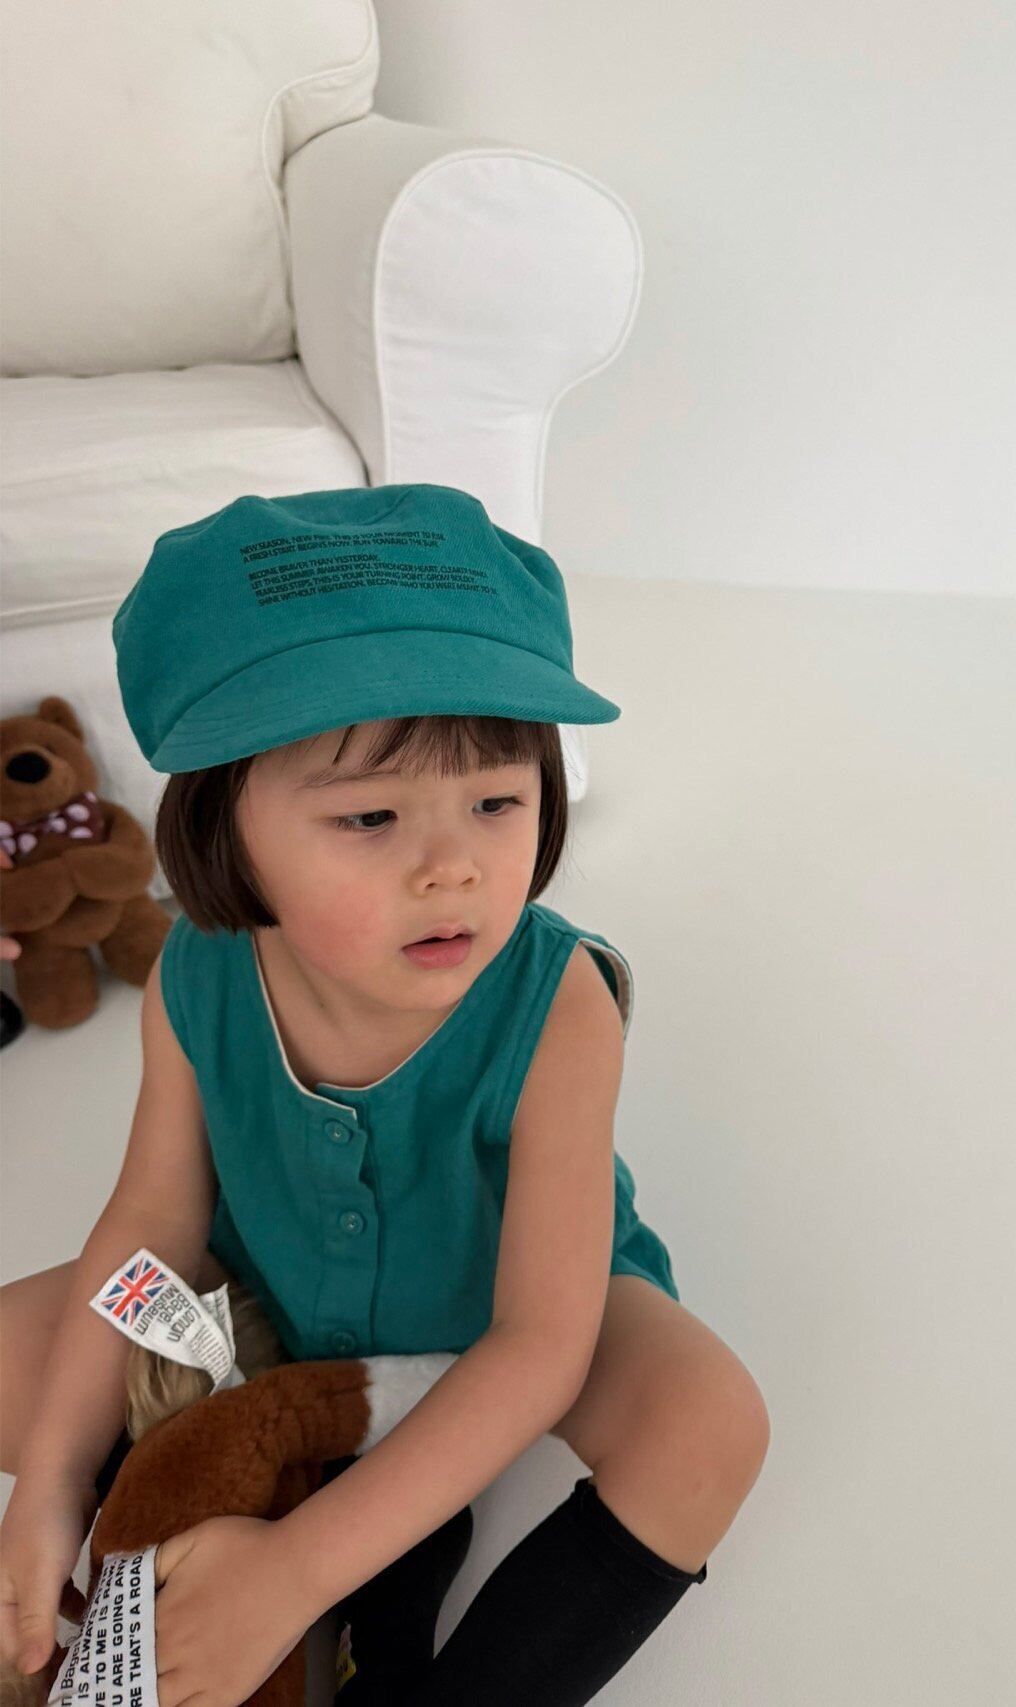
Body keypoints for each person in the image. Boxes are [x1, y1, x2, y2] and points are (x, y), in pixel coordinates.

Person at [0, 484, 770, 1705]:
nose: (452, 866)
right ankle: (301, 1514)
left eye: (496, 802)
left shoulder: (558, 1003)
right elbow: (150, 1225)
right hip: (263, 1297)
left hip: (497, 1317)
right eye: (369, 815)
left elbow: (542, 1345)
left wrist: (293, 1575)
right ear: (224, 826)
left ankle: (370, 1596)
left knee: (706, 1424)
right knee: (13, 1359)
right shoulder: (198, 972)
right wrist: (46, 1485)